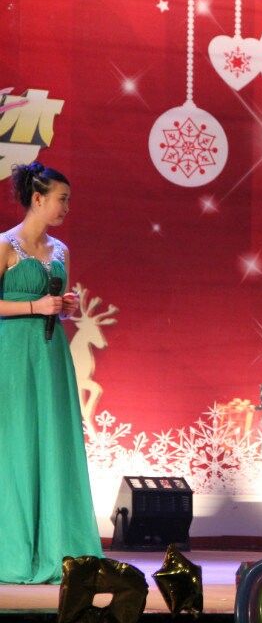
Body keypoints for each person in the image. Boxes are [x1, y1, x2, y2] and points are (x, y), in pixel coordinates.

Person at [0, 161, 101, 584]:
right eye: (62, 199)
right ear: (37, 198)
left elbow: (55, 308)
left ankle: (58, 548)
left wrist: (64, 307)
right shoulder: (6, 245)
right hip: (13, 356)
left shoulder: (61, 250)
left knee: (53, 443)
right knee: (17, 445)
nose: (66, 208)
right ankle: (14, 552)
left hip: (51, 354)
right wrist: (33, 305)